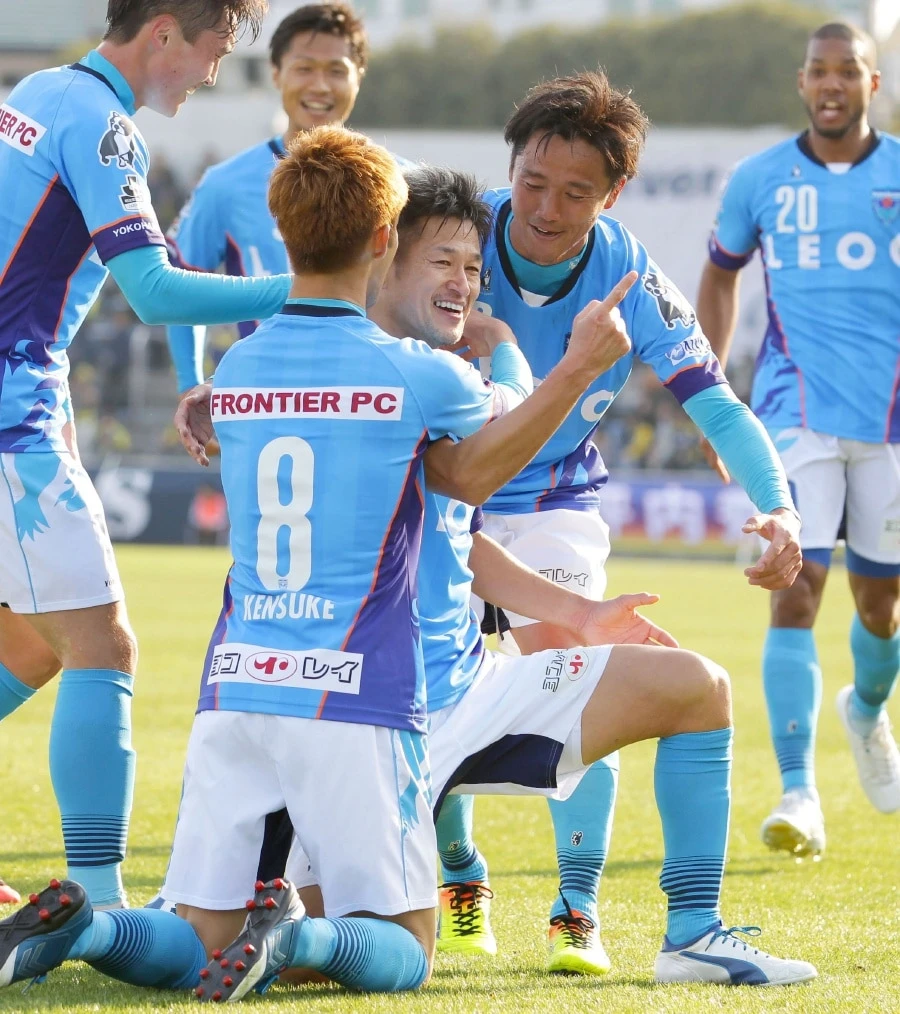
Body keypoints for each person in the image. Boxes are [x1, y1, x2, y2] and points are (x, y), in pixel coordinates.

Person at [172, 164, 817, 997]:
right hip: (375, 720)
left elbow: (459, 534)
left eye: (473, 268)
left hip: (400, 693)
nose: (466, 286)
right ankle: (432, 882)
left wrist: (581, 611)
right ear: (382, 254)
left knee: (695, 686)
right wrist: (539, 357)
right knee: (386, 952)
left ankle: (628, 918)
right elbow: (485, 454)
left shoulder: (277, 364)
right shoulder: (420, 376)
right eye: (443, 263)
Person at [0, 126, 541, 1000]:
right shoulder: (413, 371)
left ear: (284, 238)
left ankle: (88, 927)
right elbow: (509, 420)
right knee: (407, 949)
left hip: (237, 687)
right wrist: (507, 346)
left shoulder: (242, 365)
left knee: (197, 936)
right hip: (354, 696)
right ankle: (297, 937)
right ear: (384, 240)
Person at [432, 70, 803, 975]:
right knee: (424, 688)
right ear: (510, 168)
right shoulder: (452, 241)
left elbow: (718, 405)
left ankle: (576, 906)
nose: (546, 209)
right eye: (532, 183)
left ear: (615, 192)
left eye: (576, 193)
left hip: (553, 498)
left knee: (578, 672)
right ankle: (460, 872)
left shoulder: (632, 278)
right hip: (444, 498)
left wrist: (777, 506)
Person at [0, 0, 293, 910]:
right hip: (10, 417)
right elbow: (155, 291)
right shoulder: (102, 124)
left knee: (29, 644)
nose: (212, 73)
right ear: (165, 32)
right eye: (215, 48)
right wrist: (310, 291)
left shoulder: (37, 92)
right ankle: (97, 904)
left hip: (25, 405)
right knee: (101, 644)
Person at [697, 21, 900, 852]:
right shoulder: (760, 179)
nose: (832, 84)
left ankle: (867, 709)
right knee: (797, 586)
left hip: (889, 422)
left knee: (881, 607)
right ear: (802, 81)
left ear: (872, 84)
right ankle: (799, 794)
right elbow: (719, 274)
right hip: (794, 411)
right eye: (819, 71)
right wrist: (713, 390)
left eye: (848, 71)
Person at [166, 2, 375, 393]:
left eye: (336, 71)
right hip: (266, 400)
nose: (320, 86)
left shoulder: (398, 184)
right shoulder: (225, 185)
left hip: (369, 398)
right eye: (304, 68)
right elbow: (179, 288)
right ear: (276, 73)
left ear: (359, 77)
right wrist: (189, 385)